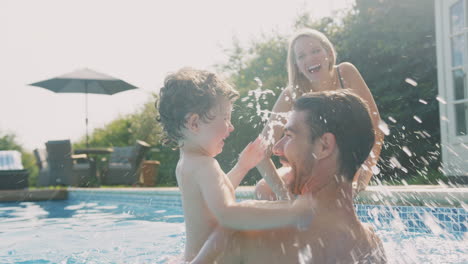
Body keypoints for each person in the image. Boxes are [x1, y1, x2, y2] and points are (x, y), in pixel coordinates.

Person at [157, 68, 314, 263]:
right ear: (195, 123)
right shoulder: (205, 165)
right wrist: (293, 213)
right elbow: (227, 215)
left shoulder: (188, 162)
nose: (231, 127)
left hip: (194, 257)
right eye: (225, 118)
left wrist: (242, 166)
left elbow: (216, 197)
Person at [217, 90, 387, 263]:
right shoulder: (371, 247)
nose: (277, 148)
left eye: (289, 136)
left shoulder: (250, 237)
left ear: (324, 146)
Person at [256, 28, 384, 199]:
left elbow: (376, 129)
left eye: (316, 51)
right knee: (264, 189)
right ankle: (293, 223)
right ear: (297, 66)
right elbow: (260, 152)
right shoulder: (291, 94)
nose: (310, 59)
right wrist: (285, 197)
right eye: (301, 56)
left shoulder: (345, 73)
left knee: (325, 189)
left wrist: (362, 181)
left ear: (329, 54)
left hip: (346, 164)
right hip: (308, 166)